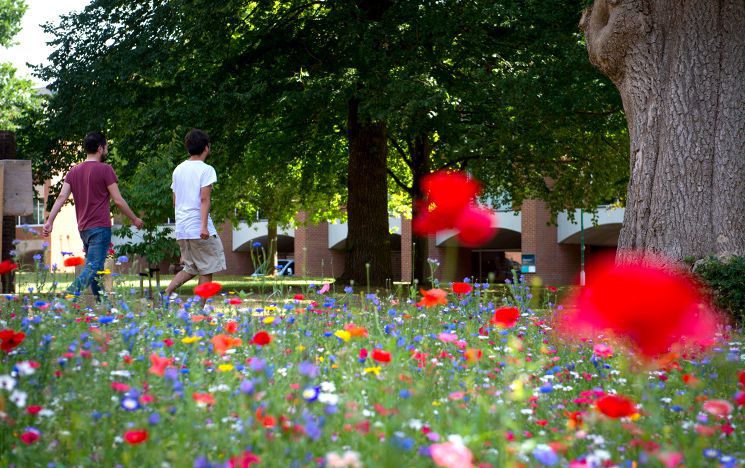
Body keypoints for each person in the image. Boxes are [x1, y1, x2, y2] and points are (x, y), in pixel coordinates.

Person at [43, 132, 144, 302]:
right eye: (106, 148)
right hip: (100, 228)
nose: (106, 151)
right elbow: (118, 200)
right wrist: (134, 219)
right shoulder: (106, 169)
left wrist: (50, 221)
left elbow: (61, 197)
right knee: (94, 267)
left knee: (95, 270)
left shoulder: (73, 171)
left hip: (84, 229)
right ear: (99, 148)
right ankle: (64, 299)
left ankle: (103, 305)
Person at [162, 129, 226, 308]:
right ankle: (199, 311)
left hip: (182, 228)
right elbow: (204, 199)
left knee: (191, 267)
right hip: (198, 227)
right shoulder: (206, 170)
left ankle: (165, 293)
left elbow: (175, 201)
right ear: (207, 147)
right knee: (208, 267)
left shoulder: (178, 169)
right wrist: (204, 226)